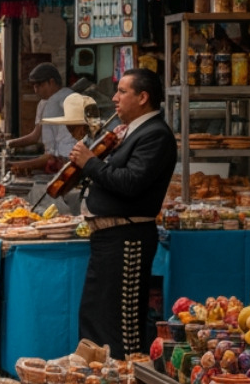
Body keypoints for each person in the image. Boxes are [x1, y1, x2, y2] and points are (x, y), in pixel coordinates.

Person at [69, 67, 176, 358]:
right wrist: (104, 152)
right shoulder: (132, 132)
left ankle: (124, 379)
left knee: (120, 321)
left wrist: (91, 162)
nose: (115, 98)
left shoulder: (156, 135)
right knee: (96, 314)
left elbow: (131, 183)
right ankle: (97, 379)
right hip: (109, 238)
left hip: (127, 239)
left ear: (143, 97)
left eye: (122, 92)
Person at [31, 92, 97, 215]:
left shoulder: (96, 142)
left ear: (83, 126)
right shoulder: (85, 141)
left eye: (72, 127)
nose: (70, 132)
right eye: (67, 127)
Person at [7, 63, 75, 176]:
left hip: (65, 165)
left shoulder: (68, 103)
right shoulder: (43, 104)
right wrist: (9, 144)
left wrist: (17, 165)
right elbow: (35, 135)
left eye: (39, 86)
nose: (36, 90)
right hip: (49, 163)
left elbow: (58, 155)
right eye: (34, 86)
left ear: (51, 82)